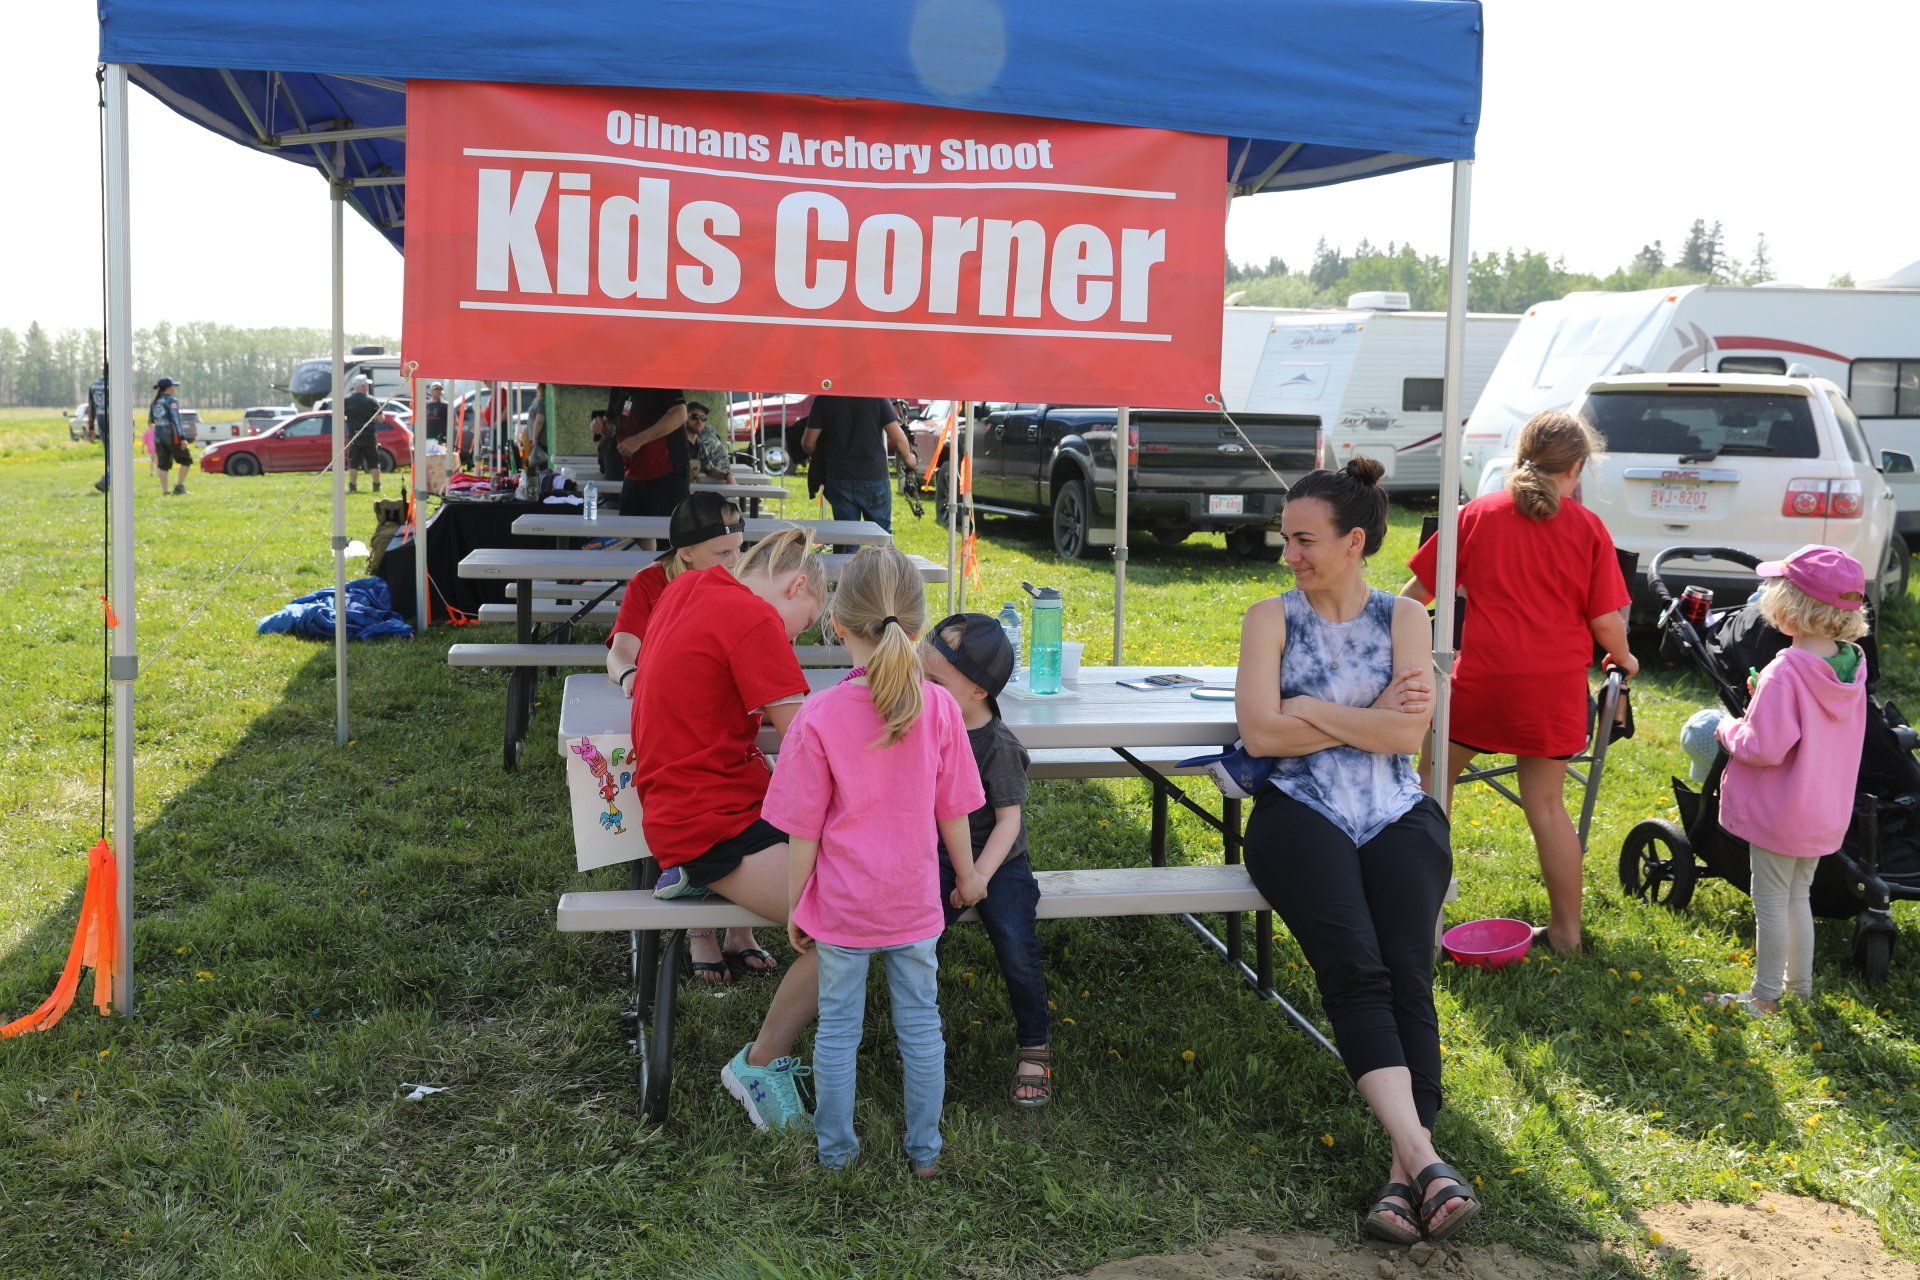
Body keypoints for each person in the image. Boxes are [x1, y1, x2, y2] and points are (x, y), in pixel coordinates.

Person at [1236, 459, 1477, 1246]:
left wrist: (1307, 705)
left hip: (1397, 813)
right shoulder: (1268, 619)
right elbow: (1261, 737)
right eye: (1286, 540)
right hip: (1299, 813)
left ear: (1354, 542)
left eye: (1305, 540)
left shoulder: (1406, 618)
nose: (1290, 555)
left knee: (1408, 974)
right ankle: (1423, 1157)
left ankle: (1403, 1181)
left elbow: (1407, 737)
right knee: (1355, 968)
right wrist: (1360, 711)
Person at [762, 547, 986, 1173]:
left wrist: (795, 902)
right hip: (914, 902)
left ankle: (835, 1154)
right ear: (917, 627)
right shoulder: (941, 707)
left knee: (837, 1033)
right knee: (921, 1029)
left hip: (841, 908)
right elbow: (955, 810)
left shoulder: (820, 715)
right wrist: (967, 876)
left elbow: (803, 830)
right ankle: (926, 1153)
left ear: (836, 621)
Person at [1403, 410, 1636, 953]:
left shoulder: (1475, 515)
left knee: (1432, 789)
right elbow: (1606, 624)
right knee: (1549, 809)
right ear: (1576, 467)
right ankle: (1566, 934)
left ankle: (1418, 920)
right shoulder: (1588, 528)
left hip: (1480, 686)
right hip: (1551, 694)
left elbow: (1416, 595)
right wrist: (1625, 658)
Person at [626, 527, 828, 1130]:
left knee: (856, 881)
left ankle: (699, 880)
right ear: (796, 586)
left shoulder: (688, 588)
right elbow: (809, 743)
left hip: (685, 806)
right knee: (852, 920)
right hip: (709, 820)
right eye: (804, 622)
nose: (795, 639)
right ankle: (760, 1064)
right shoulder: (753, 618)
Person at [603, 493, 777, 982]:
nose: (736, 562)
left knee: (743, 789)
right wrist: (633, 675)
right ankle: (701, 929)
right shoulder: (652, 584)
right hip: (675, 735)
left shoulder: (736, 586)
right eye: (724, 554)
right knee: (687, 784)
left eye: (739, 549)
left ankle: (739, 930)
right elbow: (620, 651)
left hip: (727, 727)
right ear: (686, 555)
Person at [1708, 545, 1869, 1015]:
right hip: (1824, 810)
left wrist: (1728, 728)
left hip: (1783, 811)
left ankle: (1765, 996)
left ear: (1789, 608)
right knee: (1800, 895)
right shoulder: (1850, 665)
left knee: (1771, 901)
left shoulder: (1785, 671)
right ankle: (1797, 988)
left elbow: (1763, 748)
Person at [922, 612, 1054, 1107]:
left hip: (998, 861)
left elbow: (1008, 823)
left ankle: (1034, 1045)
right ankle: (922, 1038)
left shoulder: (996, 746)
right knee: (918, 935)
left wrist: (976, 875)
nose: (921, 686)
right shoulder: (926, 721)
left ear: (977, 691)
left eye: (934, 680)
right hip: (937, 853)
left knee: (1017, 946)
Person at [801, 394, 917, 533]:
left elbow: (808, 443)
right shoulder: (877, 397)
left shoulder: (824, 398)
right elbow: (897, 437)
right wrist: (909, 458)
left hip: (839, 477)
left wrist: (822, 455)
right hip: (874, 476)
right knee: (881, 538)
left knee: (846, 539)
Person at [610, 386, 690, 517]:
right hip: (633, 472)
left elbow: (680, 414)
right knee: (631, 532)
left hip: (666, 472)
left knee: (668, 533)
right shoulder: (618, 388)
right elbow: (615, 422)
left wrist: (639, 440)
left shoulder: (659, 378)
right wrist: (604, 427)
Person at [148, 377, 192, 496]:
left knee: (163, 465)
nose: (175, 388)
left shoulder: (154, 402)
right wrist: (182, 438)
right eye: (173, 386)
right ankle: (179, 486)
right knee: (186, 460)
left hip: (158, 437)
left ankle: (165, 491)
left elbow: (151, 420)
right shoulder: (171, 401)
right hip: (172, 436)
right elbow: (176, 420)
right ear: (168, 388)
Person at [343, 374, 386, 494]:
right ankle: (376, 486)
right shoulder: (371, 400)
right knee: (373, 462)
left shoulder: (346, 401)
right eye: (366, 384)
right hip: (369, 437)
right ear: (362, 386)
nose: (368, 386)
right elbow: (381, 419)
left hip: (354, 437)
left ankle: (352, 486)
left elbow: (340, 416)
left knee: (353, 463)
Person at [685, 401, 732, 482]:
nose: (699, 422)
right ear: (684, 418)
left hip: (691, 490)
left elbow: (709, 469)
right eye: (694, 417)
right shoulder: (677, 442)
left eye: (703, 418)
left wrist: (727, 476)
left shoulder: (699, 444)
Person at [88, 375, 110, 492]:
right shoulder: (116, 384)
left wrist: (91, 428)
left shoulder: (94, 385)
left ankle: (108, 480)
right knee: (119, 455)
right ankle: (106, 480)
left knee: (109, 455)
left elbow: (91, 408)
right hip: (114, 423)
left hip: (101, 424)